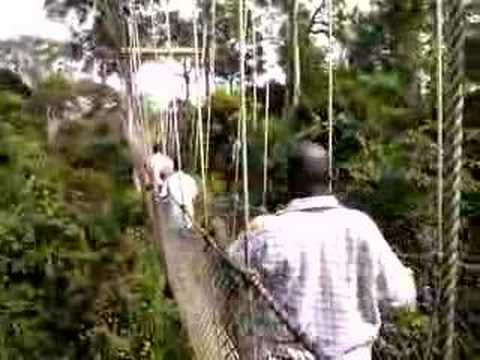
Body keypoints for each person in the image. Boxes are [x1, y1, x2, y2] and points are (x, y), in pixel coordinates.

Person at [228, 141, 417, 360]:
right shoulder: (361, 227)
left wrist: (249, 231)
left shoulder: (268, 233)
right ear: (332, 177)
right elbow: (401, 297)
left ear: (287, 183)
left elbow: (225, 273)